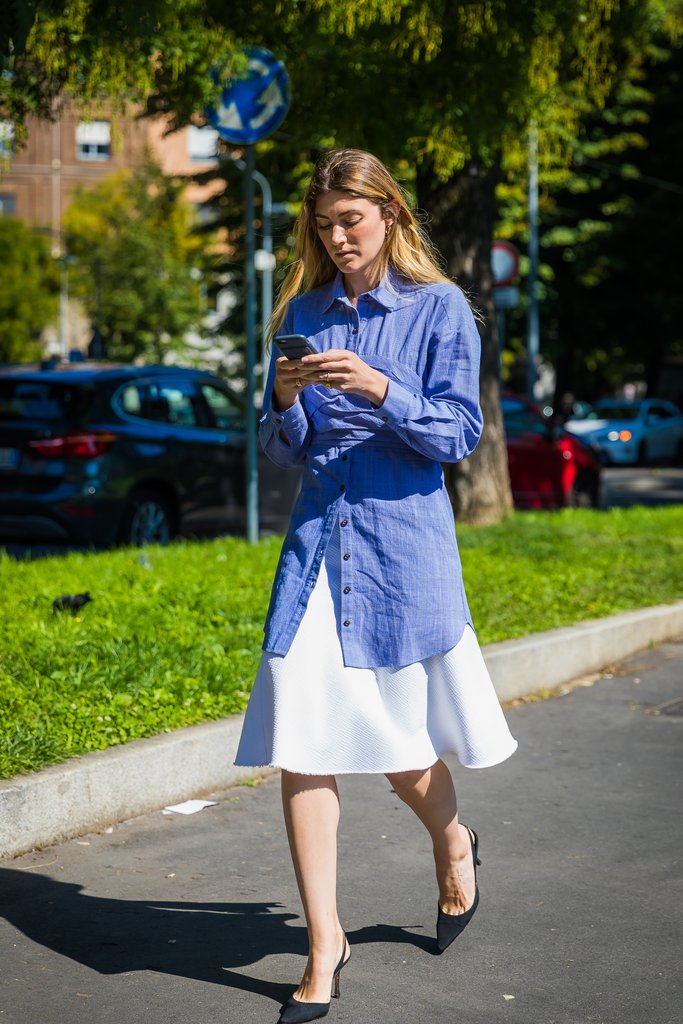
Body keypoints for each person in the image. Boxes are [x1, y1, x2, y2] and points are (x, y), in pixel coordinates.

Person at [234, 148, 517, 1024]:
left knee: (399, 747)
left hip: (400, 551)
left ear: (389, 214)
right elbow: (280, 449)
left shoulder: (440, 311)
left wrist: (380, 387)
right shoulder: (303, 310)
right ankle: (326, 945)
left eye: (349, 221)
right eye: (323, 225)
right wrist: (285, 400)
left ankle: (451, 837)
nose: (336, 237)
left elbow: (456, 436)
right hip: (318, 547)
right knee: (303, 739)